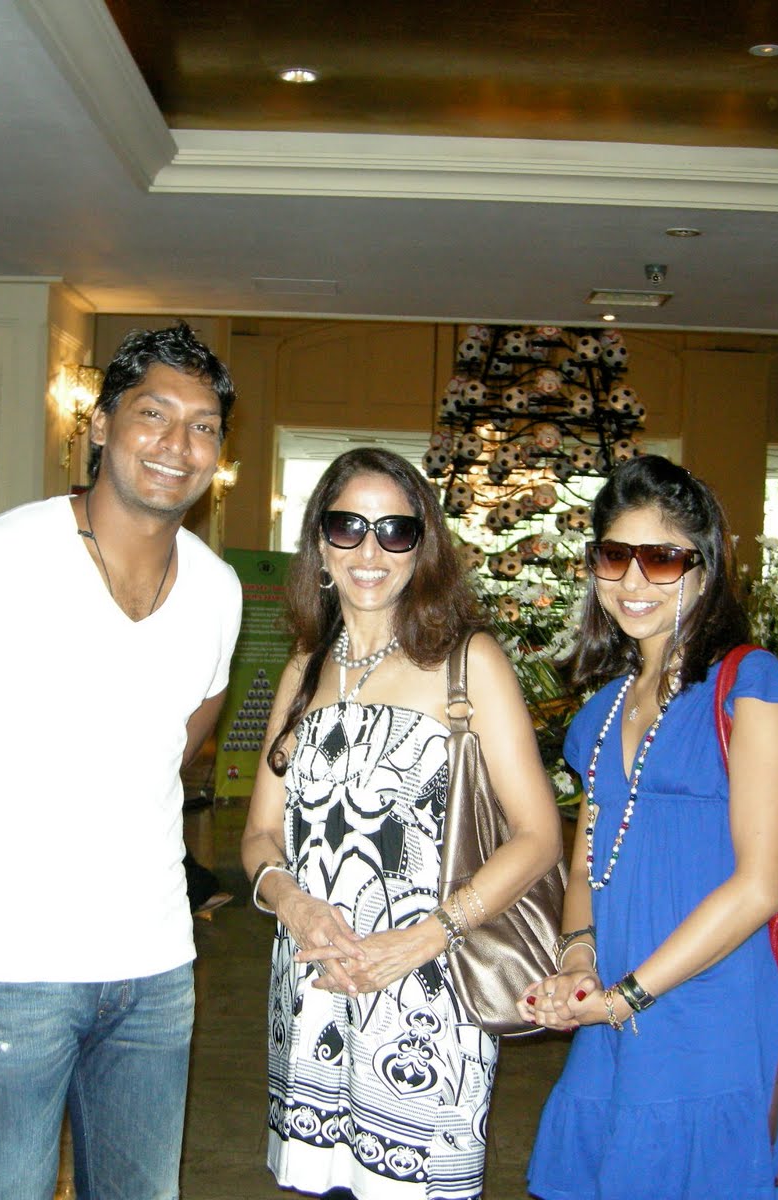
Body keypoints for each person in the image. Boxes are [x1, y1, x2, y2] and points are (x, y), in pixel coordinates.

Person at [0, 322, 243, 1200]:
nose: (177, 444)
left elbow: (176, 749)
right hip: (7, 966)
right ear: (100, 424)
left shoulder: (217, 590)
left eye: (202, 426)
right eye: (153, 414)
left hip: (155, 968)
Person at [241, 448, 563, 1200]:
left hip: (428, 993)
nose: (370, 551)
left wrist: (425, 938)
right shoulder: (303, 668)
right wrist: (293, 904)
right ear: (320, 544)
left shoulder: (468, 663)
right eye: (348, 527)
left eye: (395, 531)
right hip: (313, 985)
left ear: (423, 548)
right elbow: (259, 834)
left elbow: (539, 835)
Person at [518, 455, 778, 1199]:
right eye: (613, 556)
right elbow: (587, 865)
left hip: (711, 1013)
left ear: (703, 566)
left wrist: (627, 996)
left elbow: (761, 886)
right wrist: (579, 963)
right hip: (618, 1017)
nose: (633, 580)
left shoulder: (751, 687)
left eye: (660, 558)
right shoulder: (601, 713)